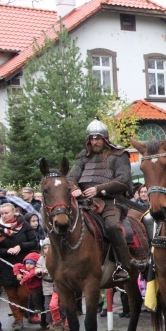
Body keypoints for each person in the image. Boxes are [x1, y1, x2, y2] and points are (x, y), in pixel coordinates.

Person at [67, 118, 132, 283]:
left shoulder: (119, 155)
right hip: (84, 203)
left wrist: (98, 189)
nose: (94, 141)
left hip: (112, 202)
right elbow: (71, 177)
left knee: (111, 226)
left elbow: (123, 181)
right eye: (92, 138)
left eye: (98, 138)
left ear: (105, 138)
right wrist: (74, 187)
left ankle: (123, 266)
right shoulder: (84, 157)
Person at [0, 203, 38, 330]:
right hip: (6, 265)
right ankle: (18, 320)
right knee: (12, 295)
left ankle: (23, 312)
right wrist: (7, 251)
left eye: (6, 213)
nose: (4, 216)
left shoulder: (24, 226)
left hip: (24, 265)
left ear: (13, 212)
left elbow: (34, 242)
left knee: (24, 294)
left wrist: (20, 246)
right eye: (2, 213)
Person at [13, 252, 47, 330]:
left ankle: (37, 309)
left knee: (39, 302)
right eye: (27, 263)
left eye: (31, 263)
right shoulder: (23, 267)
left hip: (38, 288)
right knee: (31, 299)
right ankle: (37, 315)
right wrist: (17, 273)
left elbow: (30, 275)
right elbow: (16, 266)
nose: (28, 265)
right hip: (31, 289)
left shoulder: (35, 270)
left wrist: (22, 281)